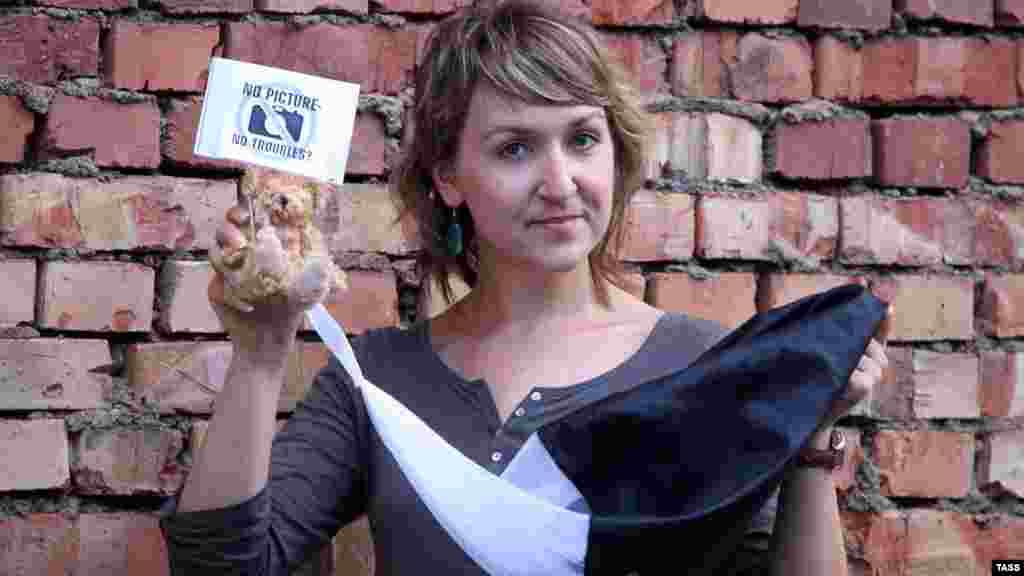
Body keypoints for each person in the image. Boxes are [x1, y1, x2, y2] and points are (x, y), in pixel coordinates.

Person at [159, 1, 890, 574]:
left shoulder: (703, 365)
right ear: (448, 177)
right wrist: (260, 353)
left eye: (581, 139)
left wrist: (811, 437)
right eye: (514, 148)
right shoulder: (377, 379)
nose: (560, 183)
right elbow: (223, 565)